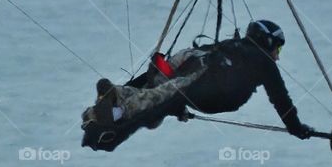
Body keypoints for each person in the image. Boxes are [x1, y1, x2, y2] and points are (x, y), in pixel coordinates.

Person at [81, 20, 315, 151]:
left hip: (193, 71)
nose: (278, 56)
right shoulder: (262, 61)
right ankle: (115, 110)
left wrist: (177, 106)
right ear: (269, 43)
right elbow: (281, 100)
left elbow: (203, 56)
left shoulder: (233, 45)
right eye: (279, 49)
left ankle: (112, 100)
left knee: (157, 95)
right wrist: (297, 128)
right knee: (156, 102)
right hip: (205, 85)